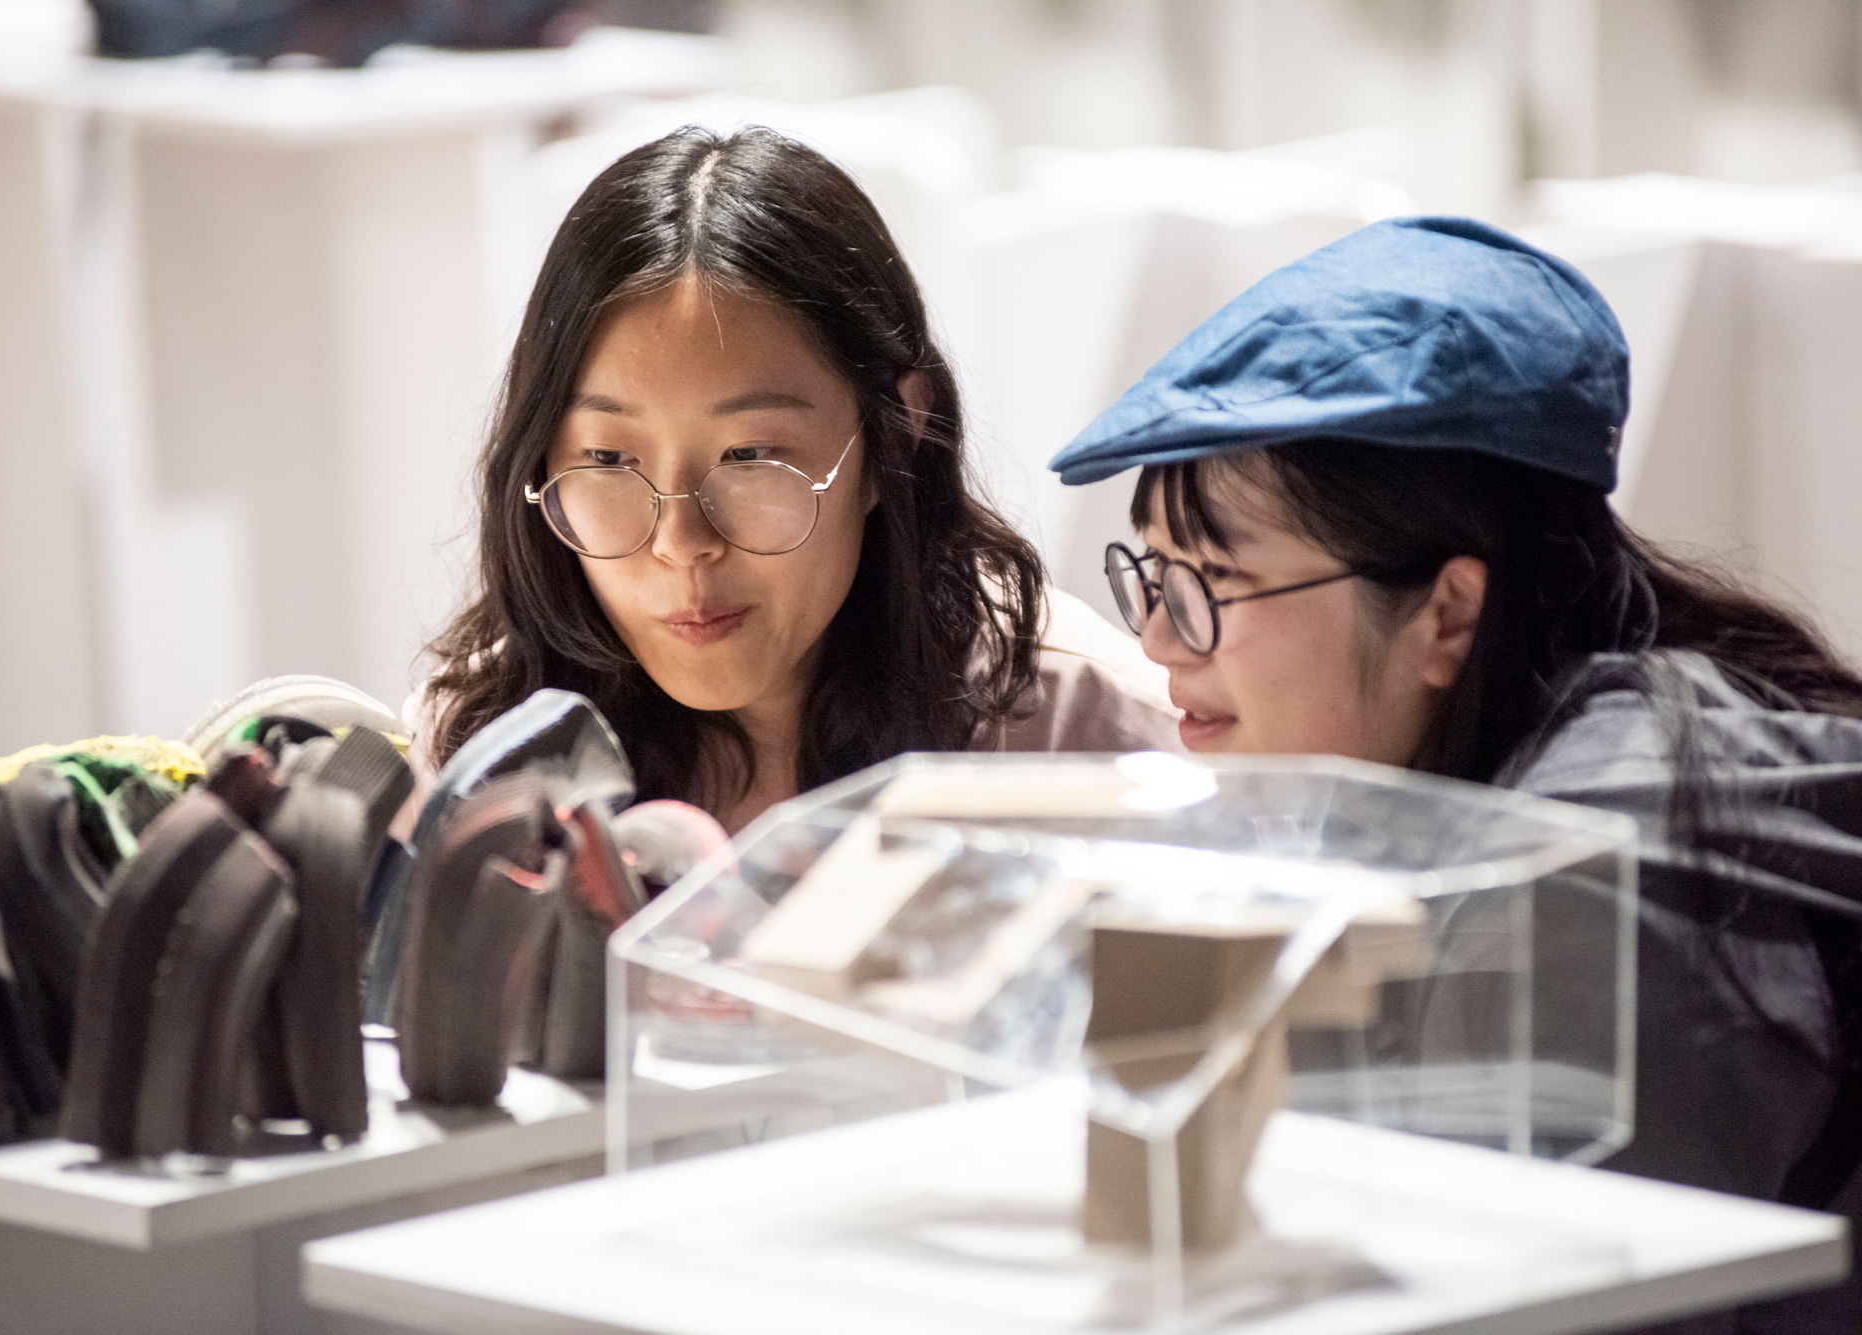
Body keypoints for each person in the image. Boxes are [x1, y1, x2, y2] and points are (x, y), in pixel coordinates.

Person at [1049, 216, 1862, 1335]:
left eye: (1210, 585)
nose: (1157, 643)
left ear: (1448, 612)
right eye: (1151, 578)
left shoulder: (1593, 877)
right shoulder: (1454, 775)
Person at [410, 126, 1176, 834]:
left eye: (749, 457)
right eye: (609, 460)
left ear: (893, 436)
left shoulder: (1080, 740)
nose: (683, 545)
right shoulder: (481, 747)